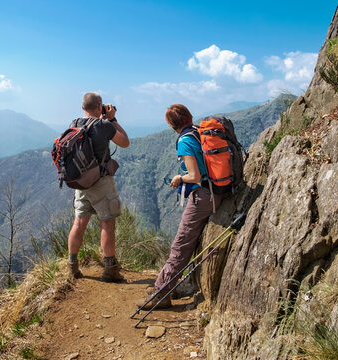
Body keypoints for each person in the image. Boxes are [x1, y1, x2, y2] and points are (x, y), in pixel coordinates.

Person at [137, 104, 222, 309]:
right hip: (217, 191)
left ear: (171, 125)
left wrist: (178, 178)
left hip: (203, 196)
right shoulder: (199, 131)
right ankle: (166, 285)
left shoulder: (185, 141)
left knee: (180, 244)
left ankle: (161, 294)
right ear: (189, 116)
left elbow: (194, 176)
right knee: (184, 243)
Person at [67, 92, 130, 282]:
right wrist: (113, 119)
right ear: (100, 106)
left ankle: (72, 267)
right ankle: (110, 270)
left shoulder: (74, 124)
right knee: (107, 223)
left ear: (83, 107)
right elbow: (125, 142)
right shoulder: (104, 125)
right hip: (101, 181)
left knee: (79, 223)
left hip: (81, 181)